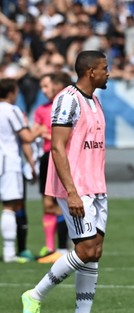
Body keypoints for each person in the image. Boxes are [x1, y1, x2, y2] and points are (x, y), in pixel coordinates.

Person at [20, 50, 115, 313]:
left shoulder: (95, 101)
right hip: (75, 187)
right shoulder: (67, 99)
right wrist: (72, 192)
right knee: (85, 250)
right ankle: (34, 296)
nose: (108, 73)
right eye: (104, 68)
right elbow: (58, 148)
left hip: (96, 186)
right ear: (90, 72)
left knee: (95, 252)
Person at [0, 78, 43, 263]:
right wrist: (40, 130)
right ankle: (10, 253)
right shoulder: (12, 110)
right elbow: (26, 136)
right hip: (8, 162)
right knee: (10, 206)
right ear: (11, 93)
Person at [33, 71, 73, 264]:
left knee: (63, 202)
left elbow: (62, 135)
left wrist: (46, 134)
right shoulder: (41, 109)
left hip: (60, 156)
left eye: (46, 86)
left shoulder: (66, 105)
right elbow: (35, 131)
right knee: (47, 204)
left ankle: (63, 246)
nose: (44, 90)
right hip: (46, 157)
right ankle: (50, 247)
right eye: (42, 87)